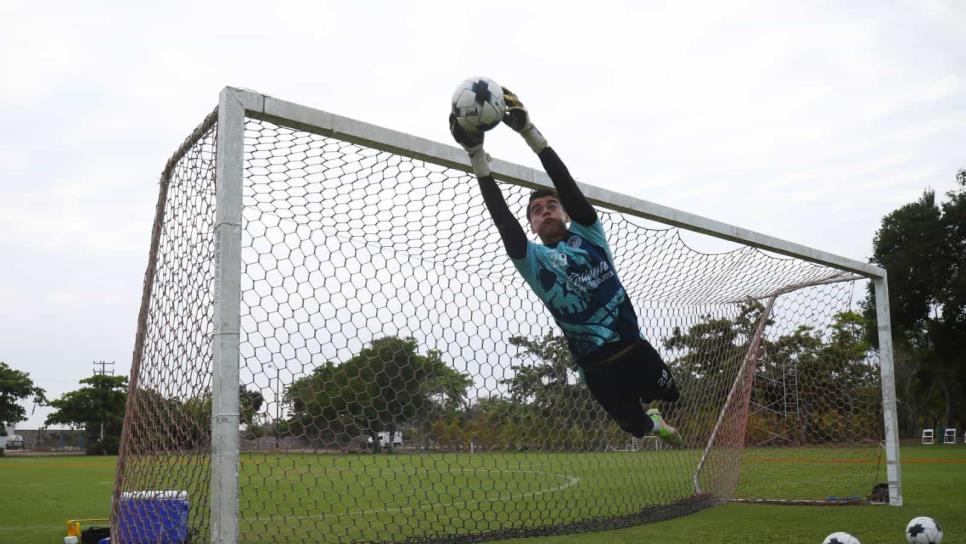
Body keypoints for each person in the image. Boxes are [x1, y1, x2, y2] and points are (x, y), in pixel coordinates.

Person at [448, 87, 683, 446]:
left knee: (673, 395)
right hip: (598, 369)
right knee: (635, 428)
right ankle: (655, 424)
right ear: (531, 225)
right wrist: (476, 155)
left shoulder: (590, 236)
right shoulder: (533, 261)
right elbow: (502, 219)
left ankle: (657, 409)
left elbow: (565, 183)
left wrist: (530, 133)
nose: (544, 210)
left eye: (551, 205)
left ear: (566, 213)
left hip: (635, 349)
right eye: (536, 210)